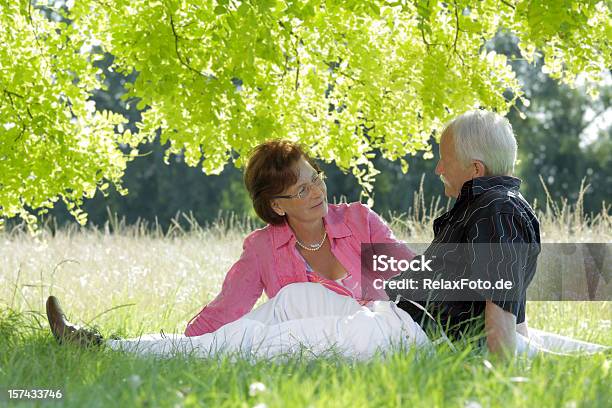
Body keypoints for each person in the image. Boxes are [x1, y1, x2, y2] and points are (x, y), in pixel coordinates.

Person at [46, 140, 428, 358]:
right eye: (301, 190)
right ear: (277, 205)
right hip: (316, 331)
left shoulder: (358, 220)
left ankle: (113, 349)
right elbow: (226, 310)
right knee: (259, 321)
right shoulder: (264, 247)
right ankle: (110, 347)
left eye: (315, 179)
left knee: (269, 331)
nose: (317, 192)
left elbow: (416, 278)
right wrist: (191, 342)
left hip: (368, 330)